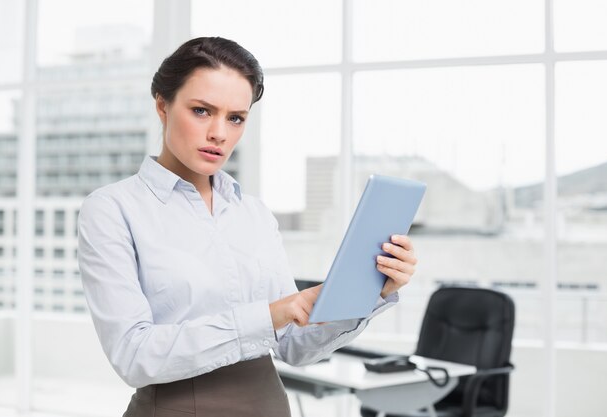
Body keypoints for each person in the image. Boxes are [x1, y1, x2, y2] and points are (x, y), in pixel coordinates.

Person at [77, 37, 418, 417]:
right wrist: (269, 315)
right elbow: (134, 356)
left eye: (235, 118)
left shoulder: (253, 214)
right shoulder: (112, 209)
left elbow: (294, 346)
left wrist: (371, 291)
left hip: (268, 405)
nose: (220, 133)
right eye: (202, 111)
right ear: (162, 105)